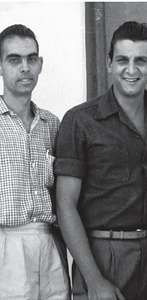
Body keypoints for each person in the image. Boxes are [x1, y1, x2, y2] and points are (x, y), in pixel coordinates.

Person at [54, 21, 147, 300]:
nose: (131, 70)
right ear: (109, 63)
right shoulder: (80, 120)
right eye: (122, 60)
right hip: (103, 255)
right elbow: (65, 205)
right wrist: (95, 281)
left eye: (141, 61)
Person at [0, 24, 70, 299]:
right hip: (6, 244)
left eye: (31, 59)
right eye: (14, 59)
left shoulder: (52, 124)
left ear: (40, 64)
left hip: (49, 243)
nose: (24, 67)